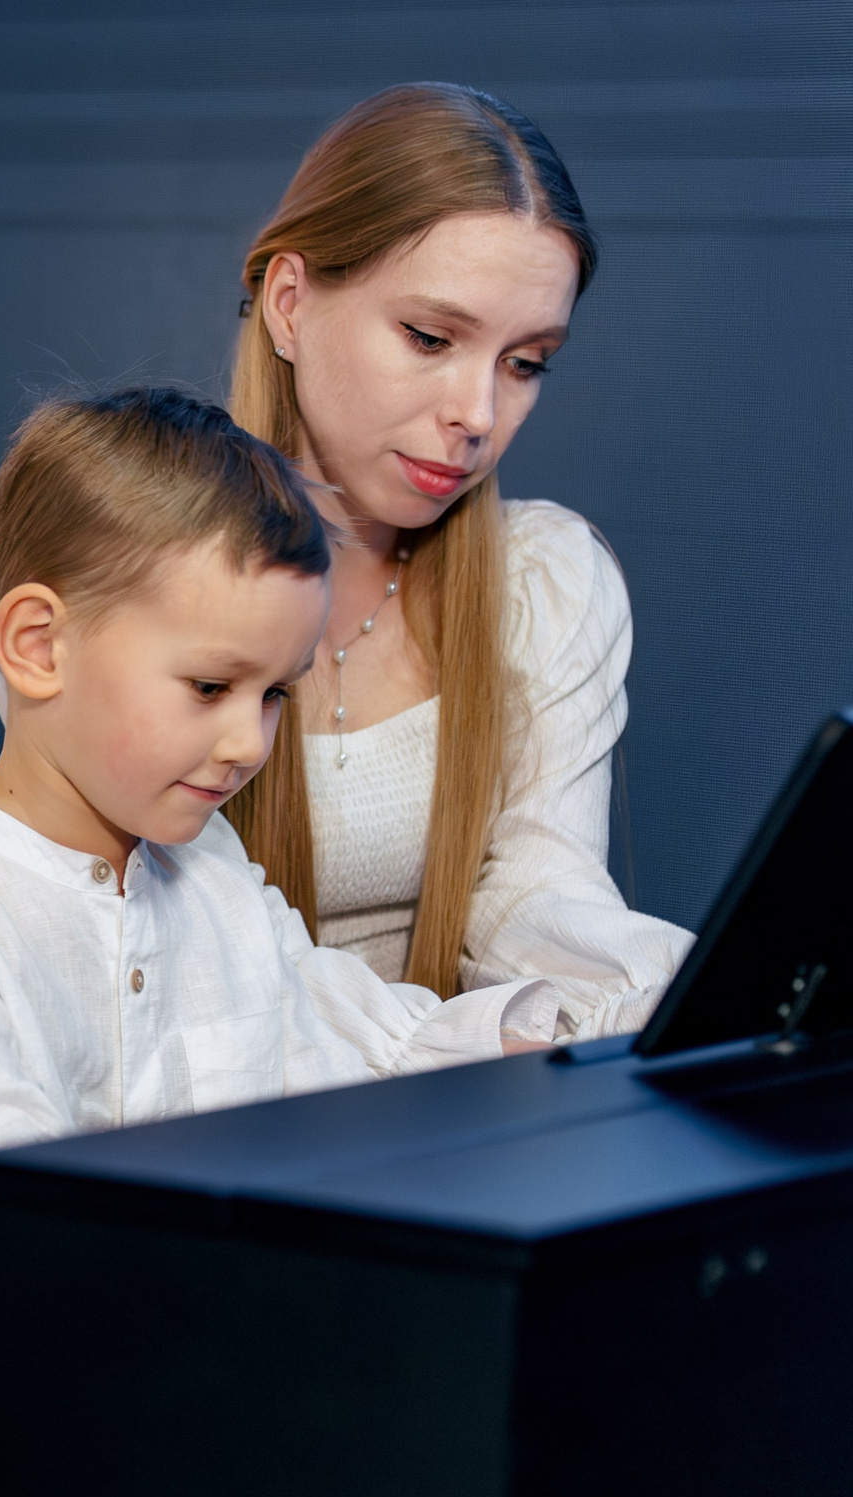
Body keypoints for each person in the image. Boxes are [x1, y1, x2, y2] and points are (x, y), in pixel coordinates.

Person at [0, 388, 558, 1359]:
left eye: (274, 695)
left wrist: (532, 1055)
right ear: (39, 646)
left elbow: (341, 1035)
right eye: (209, 687)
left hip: (189, 1400)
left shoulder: (209, 870)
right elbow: (6, 1202)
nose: (248, 741)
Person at [225, 82, 692, 1033]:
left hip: (455, 1129)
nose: (478, 415)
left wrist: (709, 997)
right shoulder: (125, 581)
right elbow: (147, 971)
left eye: (525, 363)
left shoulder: (544, 583)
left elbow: (542, 899)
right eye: (430, 337)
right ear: (289, 302)